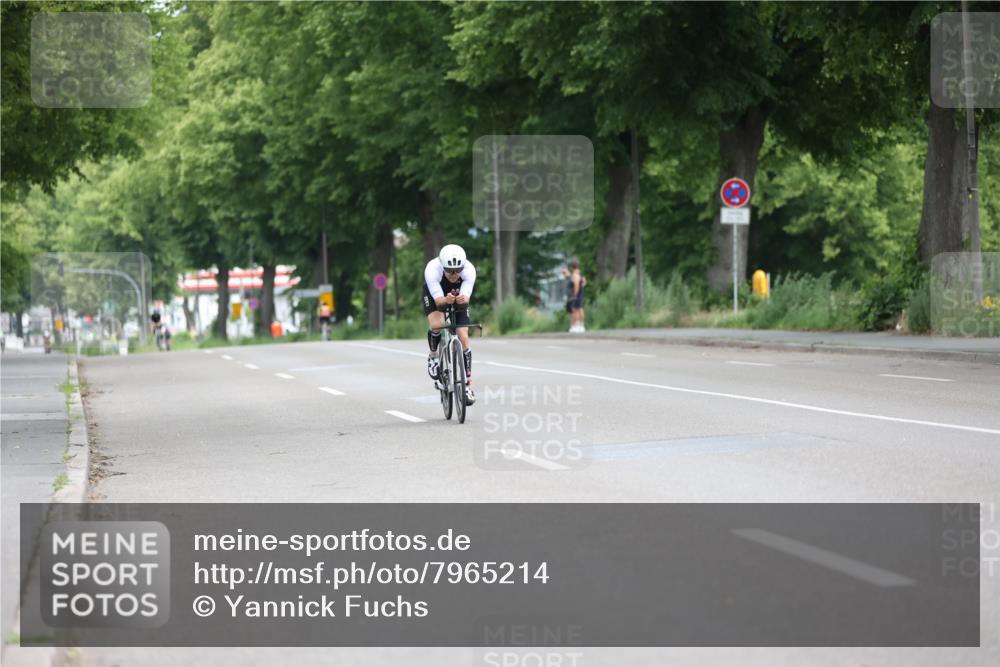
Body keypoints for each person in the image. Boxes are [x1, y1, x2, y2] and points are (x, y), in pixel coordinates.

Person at [423, 244, 476, 405]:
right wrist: (445, 300)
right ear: (442, 266)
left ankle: (467, 385)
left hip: (457, 293)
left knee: (463, 336)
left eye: (457, 270)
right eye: (449, 270)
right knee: (437, 324)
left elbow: (466, 299)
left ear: (463, 267)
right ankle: (433, 356)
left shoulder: (469, 270)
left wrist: (462, 299)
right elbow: (439, 303)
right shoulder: (432, 269)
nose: (454, 274)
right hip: (436, 295)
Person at [564, 259, 587, 333]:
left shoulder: (575, 275)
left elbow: (576, 284)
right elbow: (584, 282)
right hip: (580, 294)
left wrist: (575, 294)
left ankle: (576, 325)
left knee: (575, 310)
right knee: (579, 309)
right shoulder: (580, 274)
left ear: (572, 267)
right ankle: (580, 325)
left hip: (576, 295)